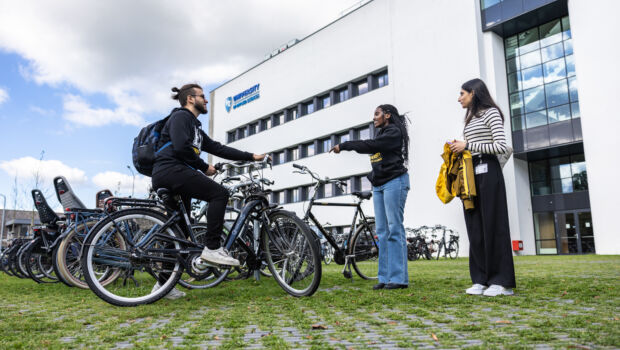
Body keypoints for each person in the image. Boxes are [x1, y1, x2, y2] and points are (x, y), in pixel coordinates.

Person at [151, 83, 267, 298]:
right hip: (171, 170)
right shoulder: (180, 117)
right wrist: (204, 167)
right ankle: (212, 248)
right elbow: (180, 146)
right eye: (202, 97)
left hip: (173, 173)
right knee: (219, 194)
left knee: (178, 232)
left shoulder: (195, 128)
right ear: (190, 99)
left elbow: (217, 148)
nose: (206, 100)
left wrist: (251, 156)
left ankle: (162, 286)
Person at [330, 104, 411, 290]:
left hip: (395, 182)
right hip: (380, 185)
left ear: (387, 115)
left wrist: (344, 146)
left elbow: (371, 146)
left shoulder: (393, 132)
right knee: (381, 232)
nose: (374, 118)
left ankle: (398, 278)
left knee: (394, 230)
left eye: (377, 114)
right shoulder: (382, 133)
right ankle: (384, 277)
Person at [449, 78, 516, 297]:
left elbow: (499, 146)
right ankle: (480, 279)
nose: (459, 98)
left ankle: (500, 281)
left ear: (474, 93)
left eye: (462, 94)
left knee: (493, 226)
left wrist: (467, 145)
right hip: (470, 174)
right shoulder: (469, 119)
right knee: (474, 226)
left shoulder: (491, 113)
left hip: (489, 170)